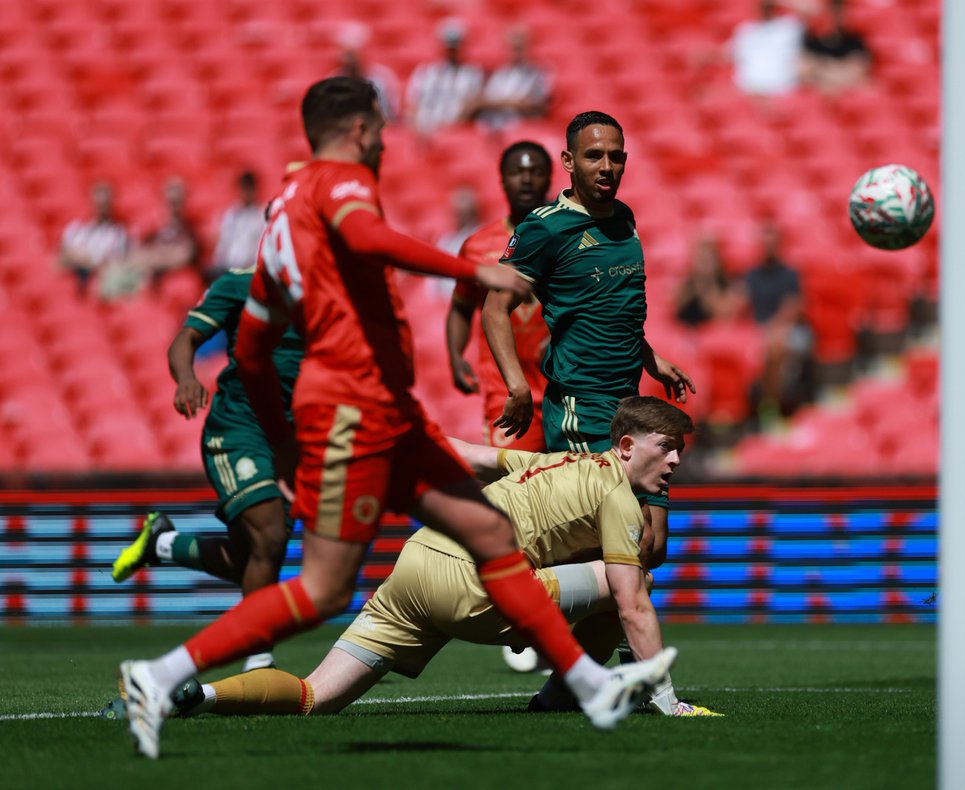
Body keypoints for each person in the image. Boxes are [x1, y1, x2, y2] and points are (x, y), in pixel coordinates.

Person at [117, 77, 675, 760]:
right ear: (358, 130)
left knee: (486, 529)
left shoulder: (284, 222)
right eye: (380, 130)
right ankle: (161, 673)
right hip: (356, 407)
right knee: (324, 587)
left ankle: (588, 682)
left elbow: (256, 346)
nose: (384, 141)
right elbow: (369, 235)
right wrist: (470, 273)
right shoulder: (338, 182)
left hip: (377, 405)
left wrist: (286, 446)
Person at [136, 398, 719, 721]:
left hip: (415, 563)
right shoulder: (619, 496)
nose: (673, 463)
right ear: (625, 447)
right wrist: (671, 702)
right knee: (628, 580)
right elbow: (633, 604)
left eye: (680, 453)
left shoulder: (554, 460)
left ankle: (200, 695)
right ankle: (561, 698)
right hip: (476, 586)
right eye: (666, 448)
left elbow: (466, 454)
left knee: (316, 697)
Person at [482, 111, 695, 576]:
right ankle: (587, 641)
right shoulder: (545, 228)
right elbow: (494, 309)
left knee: (653, 545)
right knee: (626, 536)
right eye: (593, 155)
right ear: (569, 161)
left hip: (632, 401)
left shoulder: (623, 218)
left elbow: (613, 305)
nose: (606, 166)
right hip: (583, 402)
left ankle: (559, 628)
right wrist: (517, 387)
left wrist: (651, 358)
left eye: (616, 157)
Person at [110, 266, 304, 673]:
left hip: (293, 437)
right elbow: (186, 338)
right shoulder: (241, 283)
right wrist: (186, 378)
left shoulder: (331, 284)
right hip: (239, 427)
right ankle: (259, 660)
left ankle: (163, 543)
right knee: (269, 535)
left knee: (250, 557)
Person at [446, 141, 553, 451]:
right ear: (502, 179)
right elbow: (461, 305)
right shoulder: (478, 246)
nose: (527, 179)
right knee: (512, 492)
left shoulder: (568, 240)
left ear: (549, 178)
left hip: (566, 392)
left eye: (536, 172)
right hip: (506, 393)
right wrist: (455, 356)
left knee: (576, 492)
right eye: (517, 172)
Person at [743, 221, 810, 423]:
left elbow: (791, 311)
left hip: (789, 331)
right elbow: (739, 302)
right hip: (759, 331)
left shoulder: (789, 274)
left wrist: (769, 330)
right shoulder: (752, 275)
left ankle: (770, 404)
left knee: (776, 346)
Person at [405, 19, 484, 137]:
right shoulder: (424, 72)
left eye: (455, 46)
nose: (451, 51)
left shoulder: (472, 74)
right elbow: (412, 108)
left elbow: (471, 107)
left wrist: (447, 131)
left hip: (454, 133)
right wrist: (418, 130)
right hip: (424, 132)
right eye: (448, 45)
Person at [58, 180, 130, 295]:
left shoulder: (119, 233)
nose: (101, 205)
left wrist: (79, 258)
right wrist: (89, 259)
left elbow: (110, 263)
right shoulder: (76, 228)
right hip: (71, 280)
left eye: (105, 202)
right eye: (99, 200)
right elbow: (61, 258)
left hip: (98, 283)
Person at [728, 0, 814, 97]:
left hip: (781, 92)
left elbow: (810, 9)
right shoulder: (745, 30)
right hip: (750, 90)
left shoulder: (788, 28)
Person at [474, 26, 552, 132]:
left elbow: (538, 104)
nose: (515, 52)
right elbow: (485, 101)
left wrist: (503, 103)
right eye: (512, 48)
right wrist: (512, 103)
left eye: (519, 48)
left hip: (523, 126)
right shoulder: (500, 73)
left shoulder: (537, 73)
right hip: (496, 124)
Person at [674, 231, 745, 327]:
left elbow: (724, 313)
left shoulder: (725, 282)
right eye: (701, 257)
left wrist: (708, 287)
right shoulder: (687, 284)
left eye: (709, 257)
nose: (705, 262)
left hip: (714, 335)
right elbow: (676, 306)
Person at [799, 0, 871, 93]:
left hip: (847, 92)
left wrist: (823, 67)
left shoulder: (853, 39)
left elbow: (859, 71)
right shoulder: (811, 40)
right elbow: (804, 72)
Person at [209, 171, 267, 280]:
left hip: (250, 271)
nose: (247, 192)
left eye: (249, 188)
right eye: (244, 187)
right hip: (227, 268)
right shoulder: (232, 214)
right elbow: (223, 243)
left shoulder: (261, 215)